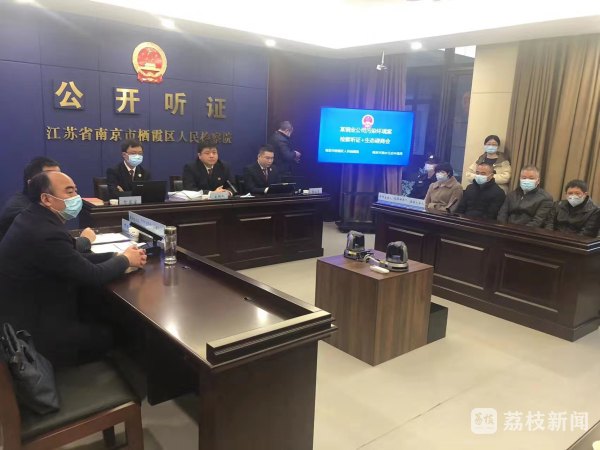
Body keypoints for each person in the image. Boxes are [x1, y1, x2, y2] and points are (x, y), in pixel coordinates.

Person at [0, 171, 147, 367]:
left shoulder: (31, 217)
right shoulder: (45, 233)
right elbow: (92, 275)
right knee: (117, 332)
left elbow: (70, 257)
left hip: (27, 312)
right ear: (46, 199)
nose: (76, 197)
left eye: (76, 191)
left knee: (98, 307)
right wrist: (125, 260)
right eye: (69, 192)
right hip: (34, 333)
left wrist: (115, 256)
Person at [0, 157, 96, 250]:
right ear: (32, 183)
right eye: (51, 176)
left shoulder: (36, 205)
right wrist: (85, 240)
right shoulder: (23, 212)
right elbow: (55, 247)